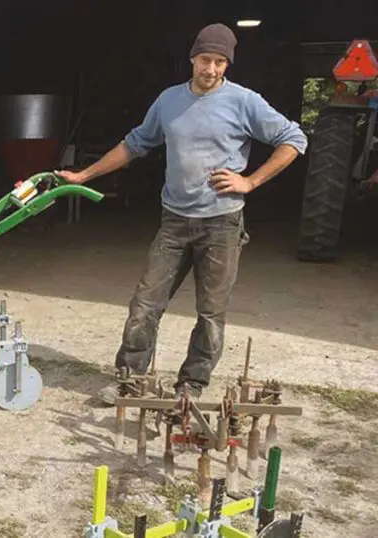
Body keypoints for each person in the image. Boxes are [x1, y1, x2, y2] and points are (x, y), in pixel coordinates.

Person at [55, 23, 308, 404]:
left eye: (220, 62)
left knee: (210, 313)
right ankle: (130, 380)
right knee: (145, 305)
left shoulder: (244, 101)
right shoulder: (169, 101)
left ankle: (191, 385)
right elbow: (135, 143)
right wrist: (83, 174)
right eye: (206, 59)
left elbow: (294, 139)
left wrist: (250, 182)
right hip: (174, 221)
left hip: (222, 223)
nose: (212, 69)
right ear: (192, 58)